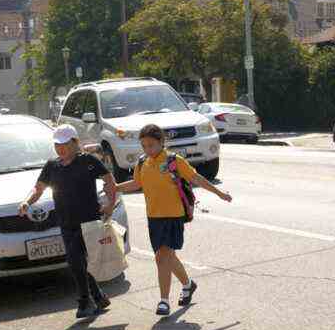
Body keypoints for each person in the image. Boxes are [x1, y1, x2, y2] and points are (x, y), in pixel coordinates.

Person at [115, 124, 233, 316]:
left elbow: (196, 178)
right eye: (144, 146)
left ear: (161, 142)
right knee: (167, 257)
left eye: (151, 145)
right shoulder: (142, 162)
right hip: (153, 217)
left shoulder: (173, 160)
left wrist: (219, 193)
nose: (147, 149)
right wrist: (116, 187)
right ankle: (188, 284)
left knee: (162, 257)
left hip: (172, 216)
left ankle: (163, 301)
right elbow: (136, 183)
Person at [18, 125, 117, 319]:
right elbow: (38, 189)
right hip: (66, 221)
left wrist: (110, 205)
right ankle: (95, 297)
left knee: (80, 261)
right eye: (57, 145)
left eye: (64, 144)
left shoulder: (88, 161)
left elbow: (109, 181)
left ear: (75, 143)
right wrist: (26, 202)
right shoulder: (52, 166)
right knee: (77, 261)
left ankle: (86, 300)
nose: (60, 148)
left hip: (90, 220)